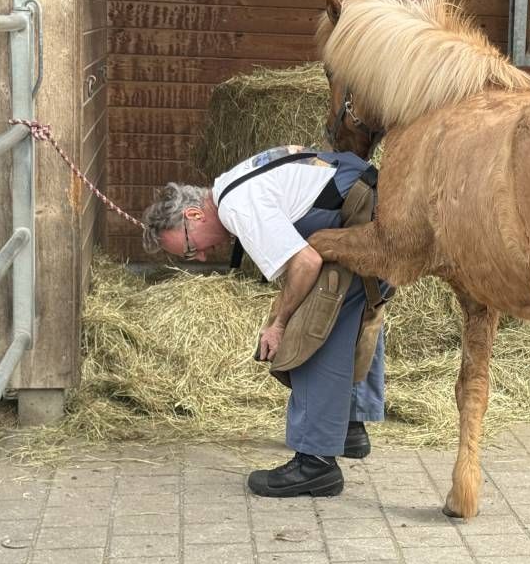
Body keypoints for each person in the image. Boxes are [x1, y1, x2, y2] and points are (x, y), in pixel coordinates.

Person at [141, 145, 386, 499]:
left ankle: (315, 462)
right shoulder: (231, 182)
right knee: (352, 310)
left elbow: (305, 263)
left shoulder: (237, 206)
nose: (205, 256)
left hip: (366, 218)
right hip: (372, 207)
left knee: (313, 325)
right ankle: (349, 427)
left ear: (194, 214)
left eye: (192, 249)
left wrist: (280, 323)